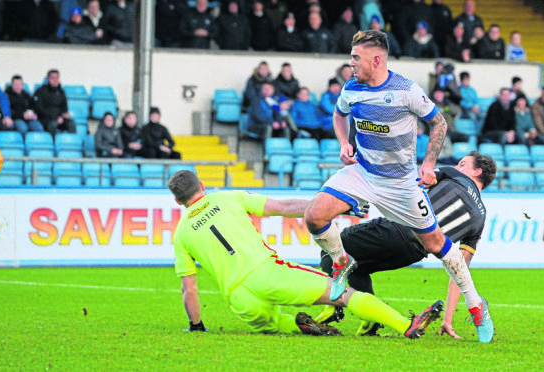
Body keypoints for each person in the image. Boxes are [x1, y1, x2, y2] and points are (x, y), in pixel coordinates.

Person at [303, 30, 494, 344]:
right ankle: (340, 262)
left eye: (356, 58)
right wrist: (342, 143)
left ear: (376, 59)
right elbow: (340, 116)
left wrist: (430, 163)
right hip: (363, 172)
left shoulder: (406, 90)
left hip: (401, 184)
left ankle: (476, 305)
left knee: (437, 245)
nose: (351, 63)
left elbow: (440, 122)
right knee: (314, 215)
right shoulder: (351, 88)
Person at [169, 169, 444, 337]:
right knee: (344, 294)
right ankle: (404, 324)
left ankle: (298, 326)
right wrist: (334, 207)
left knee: (275, 325)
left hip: (239, 299)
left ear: (177, 200)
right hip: (268, 274)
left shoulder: (181, 234)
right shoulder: (228, 198)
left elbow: (188, 288)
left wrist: (196, 326)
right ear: (202, 186)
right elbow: (284, 206)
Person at [316, 151, 497, 342]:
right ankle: (371, 319)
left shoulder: (453, 175)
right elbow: (459, 271)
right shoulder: (480, 218)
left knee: (333, 248)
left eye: (462, 164)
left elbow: (413, 181)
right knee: (357, 268)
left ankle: (335, 307)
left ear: (476, 171)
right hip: (413, 253)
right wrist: (448, 319)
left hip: (398, 230)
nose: (457, 167)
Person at [33, 69, 77, 137]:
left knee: (71, 123)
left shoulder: (61, 92)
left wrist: (65, 115)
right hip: (46, 119)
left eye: (57, 78)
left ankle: (71, 145)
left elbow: (64, 107)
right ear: (48, 79)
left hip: (59, 118)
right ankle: (52, 144)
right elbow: (40, 110)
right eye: (53, 78)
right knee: (53, 125)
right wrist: (56, 117)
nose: (55, 80)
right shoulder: (40, 91)